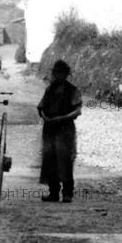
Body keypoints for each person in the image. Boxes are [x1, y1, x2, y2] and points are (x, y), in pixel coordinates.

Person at [38, 60, 82, 203]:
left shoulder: (73, 90)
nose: (58, 76)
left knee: (65, 159)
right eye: (56, 73)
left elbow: (77, 111)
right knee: (50, 159)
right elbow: (41, 106)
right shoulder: (50, 89)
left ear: (66, 74)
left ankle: (68, 193)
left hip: (65, 129)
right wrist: (45, 117)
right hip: (50, 128)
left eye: (61, 73)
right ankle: (53, 193)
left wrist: (61, 118)